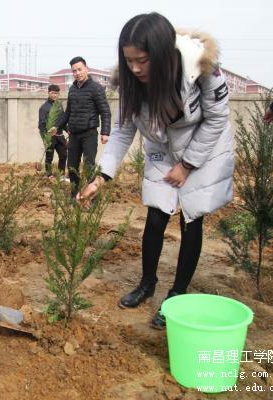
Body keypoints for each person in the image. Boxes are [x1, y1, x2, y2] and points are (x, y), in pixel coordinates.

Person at [78, 12, 234, 330]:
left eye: (143, 60)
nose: (135, 68)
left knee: (191, 218)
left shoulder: (201, 68)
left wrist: (188, 164)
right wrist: (100, 178)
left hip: (203, 146)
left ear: (162, 54)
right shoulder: (132, 81)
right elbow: (123, 131)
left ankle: (176, 296)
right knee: (155, 215)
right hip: (163, 146)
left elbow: (217, 117)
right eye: (129, 60)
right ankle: (147, 283)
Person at [49, 56, 111, 196]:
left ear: (86, 69)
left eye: (79, 69)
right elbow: (68, 113)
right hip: (74, 134)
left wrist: (105, 132)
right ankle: (74, 196)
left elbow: (105, 111)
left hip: (89, 133)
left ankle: (91, 199)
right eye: (74, 71)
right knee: (72, 167)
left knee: (89, 167)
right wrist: (57, 127)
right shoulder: (72, 90)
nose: (77, 73)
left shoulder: (96, 88)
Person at [38, 84, 67, 178]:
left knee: (63, 155)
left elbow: (62, 120)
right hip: (50, 136)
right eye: (52, 93)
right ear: (48, 93)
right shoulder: (44, 108)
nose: (55, 95)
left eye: (56, 93)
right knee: (49, 157)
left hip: (60, 135)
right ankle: (49, 174)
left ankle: (61, 175)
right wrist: (45, 139)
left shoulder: (59, 106)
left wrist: (68, 130)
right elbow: (41, 125)